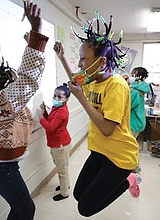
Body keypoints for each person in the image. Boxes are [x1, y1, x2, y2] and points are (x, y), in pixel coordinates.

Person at [53, 12, 140, 217]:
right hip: (101, 150)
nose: (81, 63)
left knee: (85, 208)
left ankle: (128, 179)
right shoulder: (93, 80)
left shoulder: (116, 85)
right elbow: (76, 80)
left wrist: (81, 98)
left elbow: (108, 129)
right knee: (77, 194)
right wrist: (62, 57)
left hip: (120, 156)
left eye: (83, 59)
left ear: (101, 63)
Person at [0, 2, 48, 220]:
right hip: (2, 171)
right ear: (7, 86)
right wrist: (36, 33)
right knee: (27, 210)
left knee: (19, 210)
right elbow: (28, 77)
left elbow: (22, 82)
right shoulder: (6, 101)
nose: (15, 78)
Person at [37, 83, 71, 201]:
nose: (56, 99)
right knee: (62, 167)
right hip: (58, 143)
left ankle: (64, 193)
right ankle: (66, 185)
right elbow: (51, 121)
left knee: (62, 169)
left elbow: (50, 127)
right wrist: (44, 112)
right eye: (55, 95)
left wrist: (40, 117)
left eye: (59, 97)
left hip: (60, 144)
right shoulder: (56, 108)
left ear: (66, 99)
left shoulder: (61, 111)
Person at [129, 67, 151, 138]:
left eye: (133, 75)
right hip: (138, 121)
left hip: (133, 122)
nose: (131, 77)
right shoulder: (140, 90)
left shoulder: (135, 92)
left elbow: (126, 106)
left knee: (128, 146)